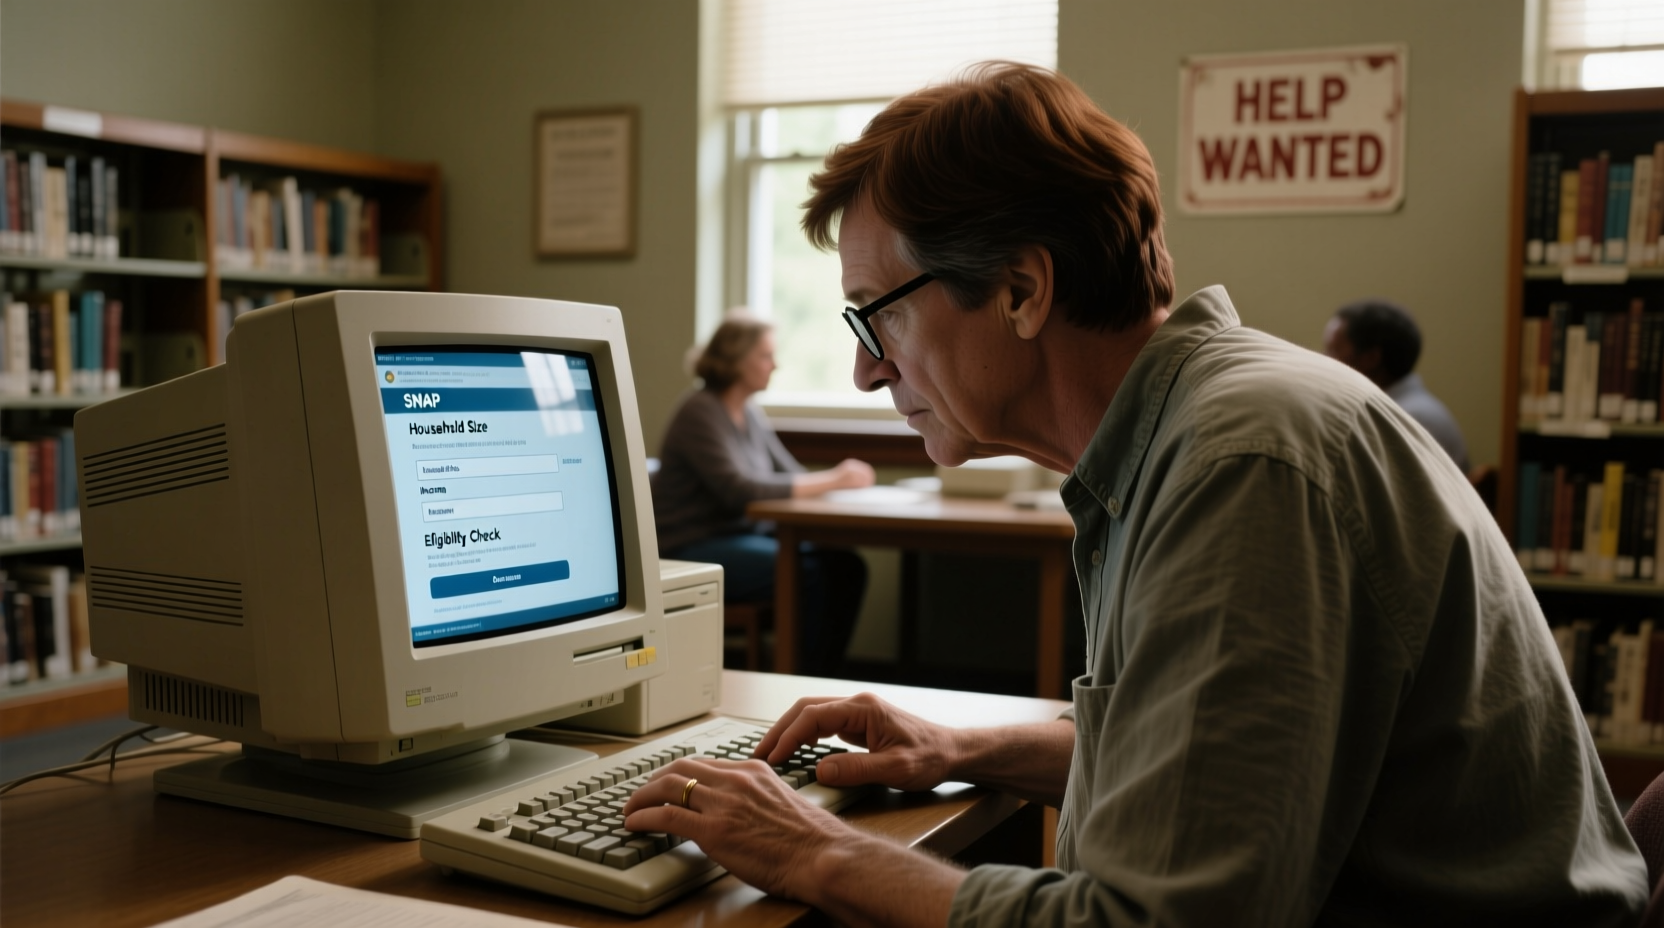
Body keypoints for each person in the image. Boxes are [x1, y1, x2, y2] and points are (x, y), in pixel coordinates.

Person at [624, 63, 1648, 926]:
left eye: (872, 317)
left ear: (1022, 290)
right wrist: (958, 746)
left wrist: (812, 852)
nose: (863, 372)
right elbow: (1206, 757)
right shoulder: (1195, 426)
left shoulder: (1238, 465)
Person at [652, 312, 874, 676]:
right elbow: (740, 491)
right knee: (809, 572)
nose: (775, 364)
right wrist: (835, 479)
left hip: (739, 537)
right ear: (736, 360)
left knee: (848, 565)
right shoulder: (699, 411)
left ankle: (828, 675)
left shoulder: (749, 414)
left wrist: (839, 484)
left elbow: (790, 476)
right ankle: (804, 679)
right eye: (765, 356)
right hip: (691, 545)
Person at [1323, 298, 1471, 473]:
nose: (1324, 360)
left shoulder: (1403, 419)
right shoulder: (1413, 408)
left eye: (1333, 350)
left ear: (1371, 358)